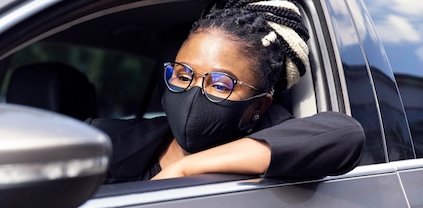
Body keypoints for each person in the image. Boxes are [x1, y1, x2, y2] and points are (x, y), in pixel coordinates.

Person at [86, 0, 365, 184]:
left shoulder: (270, 139)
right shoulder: (107, 139)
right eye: (183, 75)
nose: (194, 94)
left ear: (259, 106)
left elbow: (345, 134)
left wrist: (187, 168)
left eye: (220, 84)